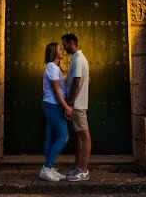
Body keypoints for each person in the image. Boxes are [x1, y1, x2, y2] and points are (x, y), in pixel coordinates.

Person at [39, 42, 72, 182]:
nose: (62, 51)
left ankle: (50, 167)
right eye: (60, 49)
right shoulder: (52, 67)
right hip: (52, 106)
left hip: (53, 105)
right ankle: (46, 168)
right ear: (54, 52)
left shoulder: (54, 67)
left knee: (50, 136)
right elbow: (56, 91)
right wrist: (66, 107)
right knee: (64, 137)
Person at [62, 32, 91, 182]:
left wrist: (70, 103)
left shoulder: (79, 59)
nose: (64, 47)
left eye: (65, 44)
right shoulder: (76, 58)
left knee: (85, 137)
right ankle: (79, 167)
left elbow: (76, 82)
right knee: (79, 137)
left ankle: (84, 171)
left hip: (77, 104)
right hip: (77, 103)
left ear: (72, 43)